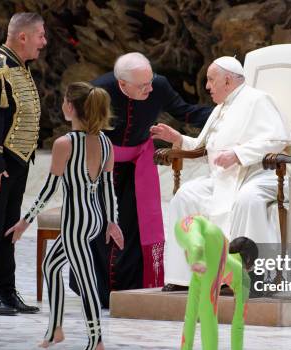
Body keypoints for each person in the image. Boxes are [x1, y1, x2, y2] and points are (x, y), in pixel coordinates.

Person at [6, 82, 124, 350]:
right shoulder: (106, 142)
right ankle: (55, 328)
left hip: (75, 222)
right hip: (93, 218)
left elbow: (49, 189)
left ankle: (96, 340)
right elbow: (107, 188)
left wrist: (25, 220)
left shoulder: (65, 144)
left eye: (63, 101)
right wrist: (111, 221)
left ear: (70, 108)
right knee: (51, 265)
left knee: (86, 281)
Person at [151, 56, 288, 288]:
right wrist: (178, 139)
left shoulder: (258, 100)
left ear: (227, 80)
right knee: (185, 195)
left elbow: (277, 139)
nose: (207, 86)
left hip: (259, 174)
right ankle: (183, 277)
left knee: (247, 199)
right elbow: (205, 146)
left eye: (210, 80)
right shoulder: (221, 108)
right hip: (224, 178)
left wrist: (238, 154)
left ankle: (253, 276)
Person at [86, 52, 212, 301]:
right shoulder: (99, 90)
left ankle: (131, 289)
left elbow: (185, 112)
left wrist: (224, 114)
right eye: (143, 86)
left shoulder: (158, 85)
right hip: (101, 166)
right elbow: (83, 132)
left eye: (150, 81)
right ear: (122, 84)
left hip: (137, 166)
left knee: (134, 229)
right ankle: (99, 292)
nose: (150, 89)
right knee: (101, 226)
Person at [0, 12, 46, 315]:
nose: (44, 42)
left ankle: (7, 289)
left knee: (8, 229)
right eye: (40, 35)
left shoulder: (20, 67)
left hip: (16, 163)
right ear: (23, 37)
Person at [175, 215, 254, 350]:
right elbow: (238, 326)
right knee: (208, 312)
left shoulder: (220, 254)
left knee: (196, 308)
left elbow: (190, 314)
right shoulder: (243, 278)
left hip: (192, 227)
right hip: (208, 244)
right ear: (248, 265)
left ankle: (196, 249)